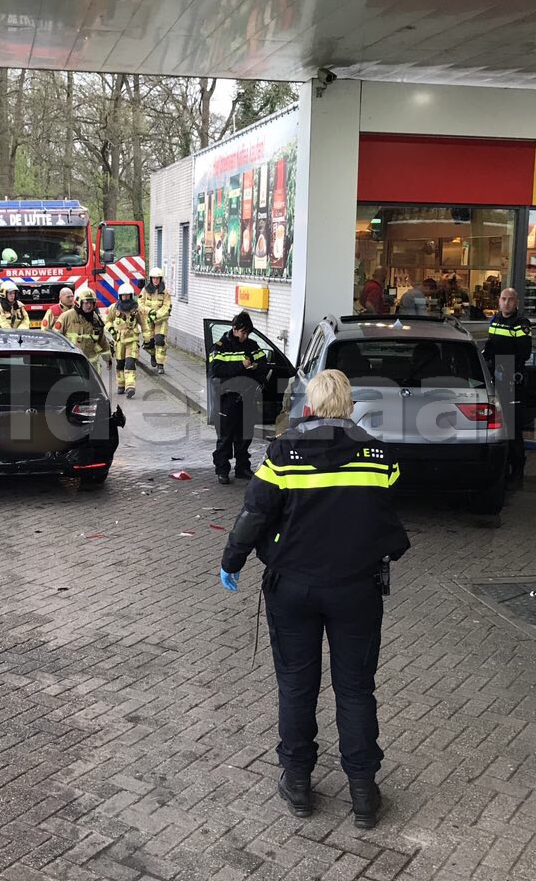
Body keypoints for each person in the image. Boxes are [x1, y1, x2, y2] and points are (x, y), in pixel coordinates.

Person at [219, 369, 409, 829]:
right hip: (356, 590)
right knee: (356, 688)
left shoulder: (284, 451)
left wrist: (232, 561)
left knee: (297, 685)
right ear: (348, 405)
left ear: (310, 405)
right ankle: (363, 792)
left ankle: (299, 783)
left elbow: (255, 512)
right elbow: (389, 514)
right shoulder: (379, 454)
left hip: (294, 589)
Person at [209, 311, 269, 485]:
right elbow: (217, 370)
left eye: (247, 333)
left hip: (247, 397)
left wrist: (255, 367)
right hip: (227, 398)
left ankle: (242, 468)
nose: (245, 336)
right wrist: (241, 366)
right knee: (225, 436)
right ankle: (222, 470)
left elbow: (263, 364)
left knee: (245, 435)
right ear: (234, 329)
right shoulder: (220, 347)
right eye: (243, 333)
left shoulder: (252, 345)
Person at [482, 288, 533, 488]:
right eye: (504, 299)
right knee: (497, 425)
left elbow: (524, 353)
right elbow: (491, 346)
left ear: (516, 302)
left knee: (512, 428)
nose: (507, 303)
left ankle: (517, 472)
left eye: (511, 299)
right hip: (496, 375)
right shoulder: (495, 321)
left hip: (511, 378)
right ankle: (502, 468)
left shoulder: (521, 324)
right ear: (499, 300)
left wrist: (503, 366)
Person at [55, 285, 111, 378]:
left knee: (94, 390)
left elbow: (102, 341)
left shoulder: (96, 319)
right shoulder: (67, 316)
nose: (89, 305)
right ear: (78, 302)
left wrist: (107, 359)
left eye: (91, 302)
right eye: (86, 302)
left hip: (92, 364)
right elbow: (56, 337)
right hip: (73, 362)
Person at [105, 282, 142, 399]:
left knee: (130, 363)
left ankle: (130, 386)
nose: (125, 298)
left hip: (132, 341)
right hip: (119, 341)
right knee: (120, 364)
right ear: (119, 296)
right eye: (123, 296)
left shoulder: (137, 309)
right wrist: (112, 331)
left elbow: (144, 323)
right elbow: (107, 321)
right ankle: (121, 385)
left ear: (131, 296)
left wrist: (147, 338)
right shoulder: (113, 308)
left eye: (127, 296)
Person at [138, 268, 172, 373]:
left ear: (160, 279)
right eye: (153, 278)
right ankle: (153, 355)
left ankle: (160, 365)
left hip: (160, 321)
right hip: (148, 320)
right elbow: (140, 304)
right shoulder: (145, 290)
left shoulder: (165, 291)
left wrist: (157, 315)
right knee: (149, 343)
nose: (155, 280)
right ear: (151, 279)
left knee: (160, 341)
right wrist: (150, 312)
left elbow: (167, 306)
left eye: (157, 278)